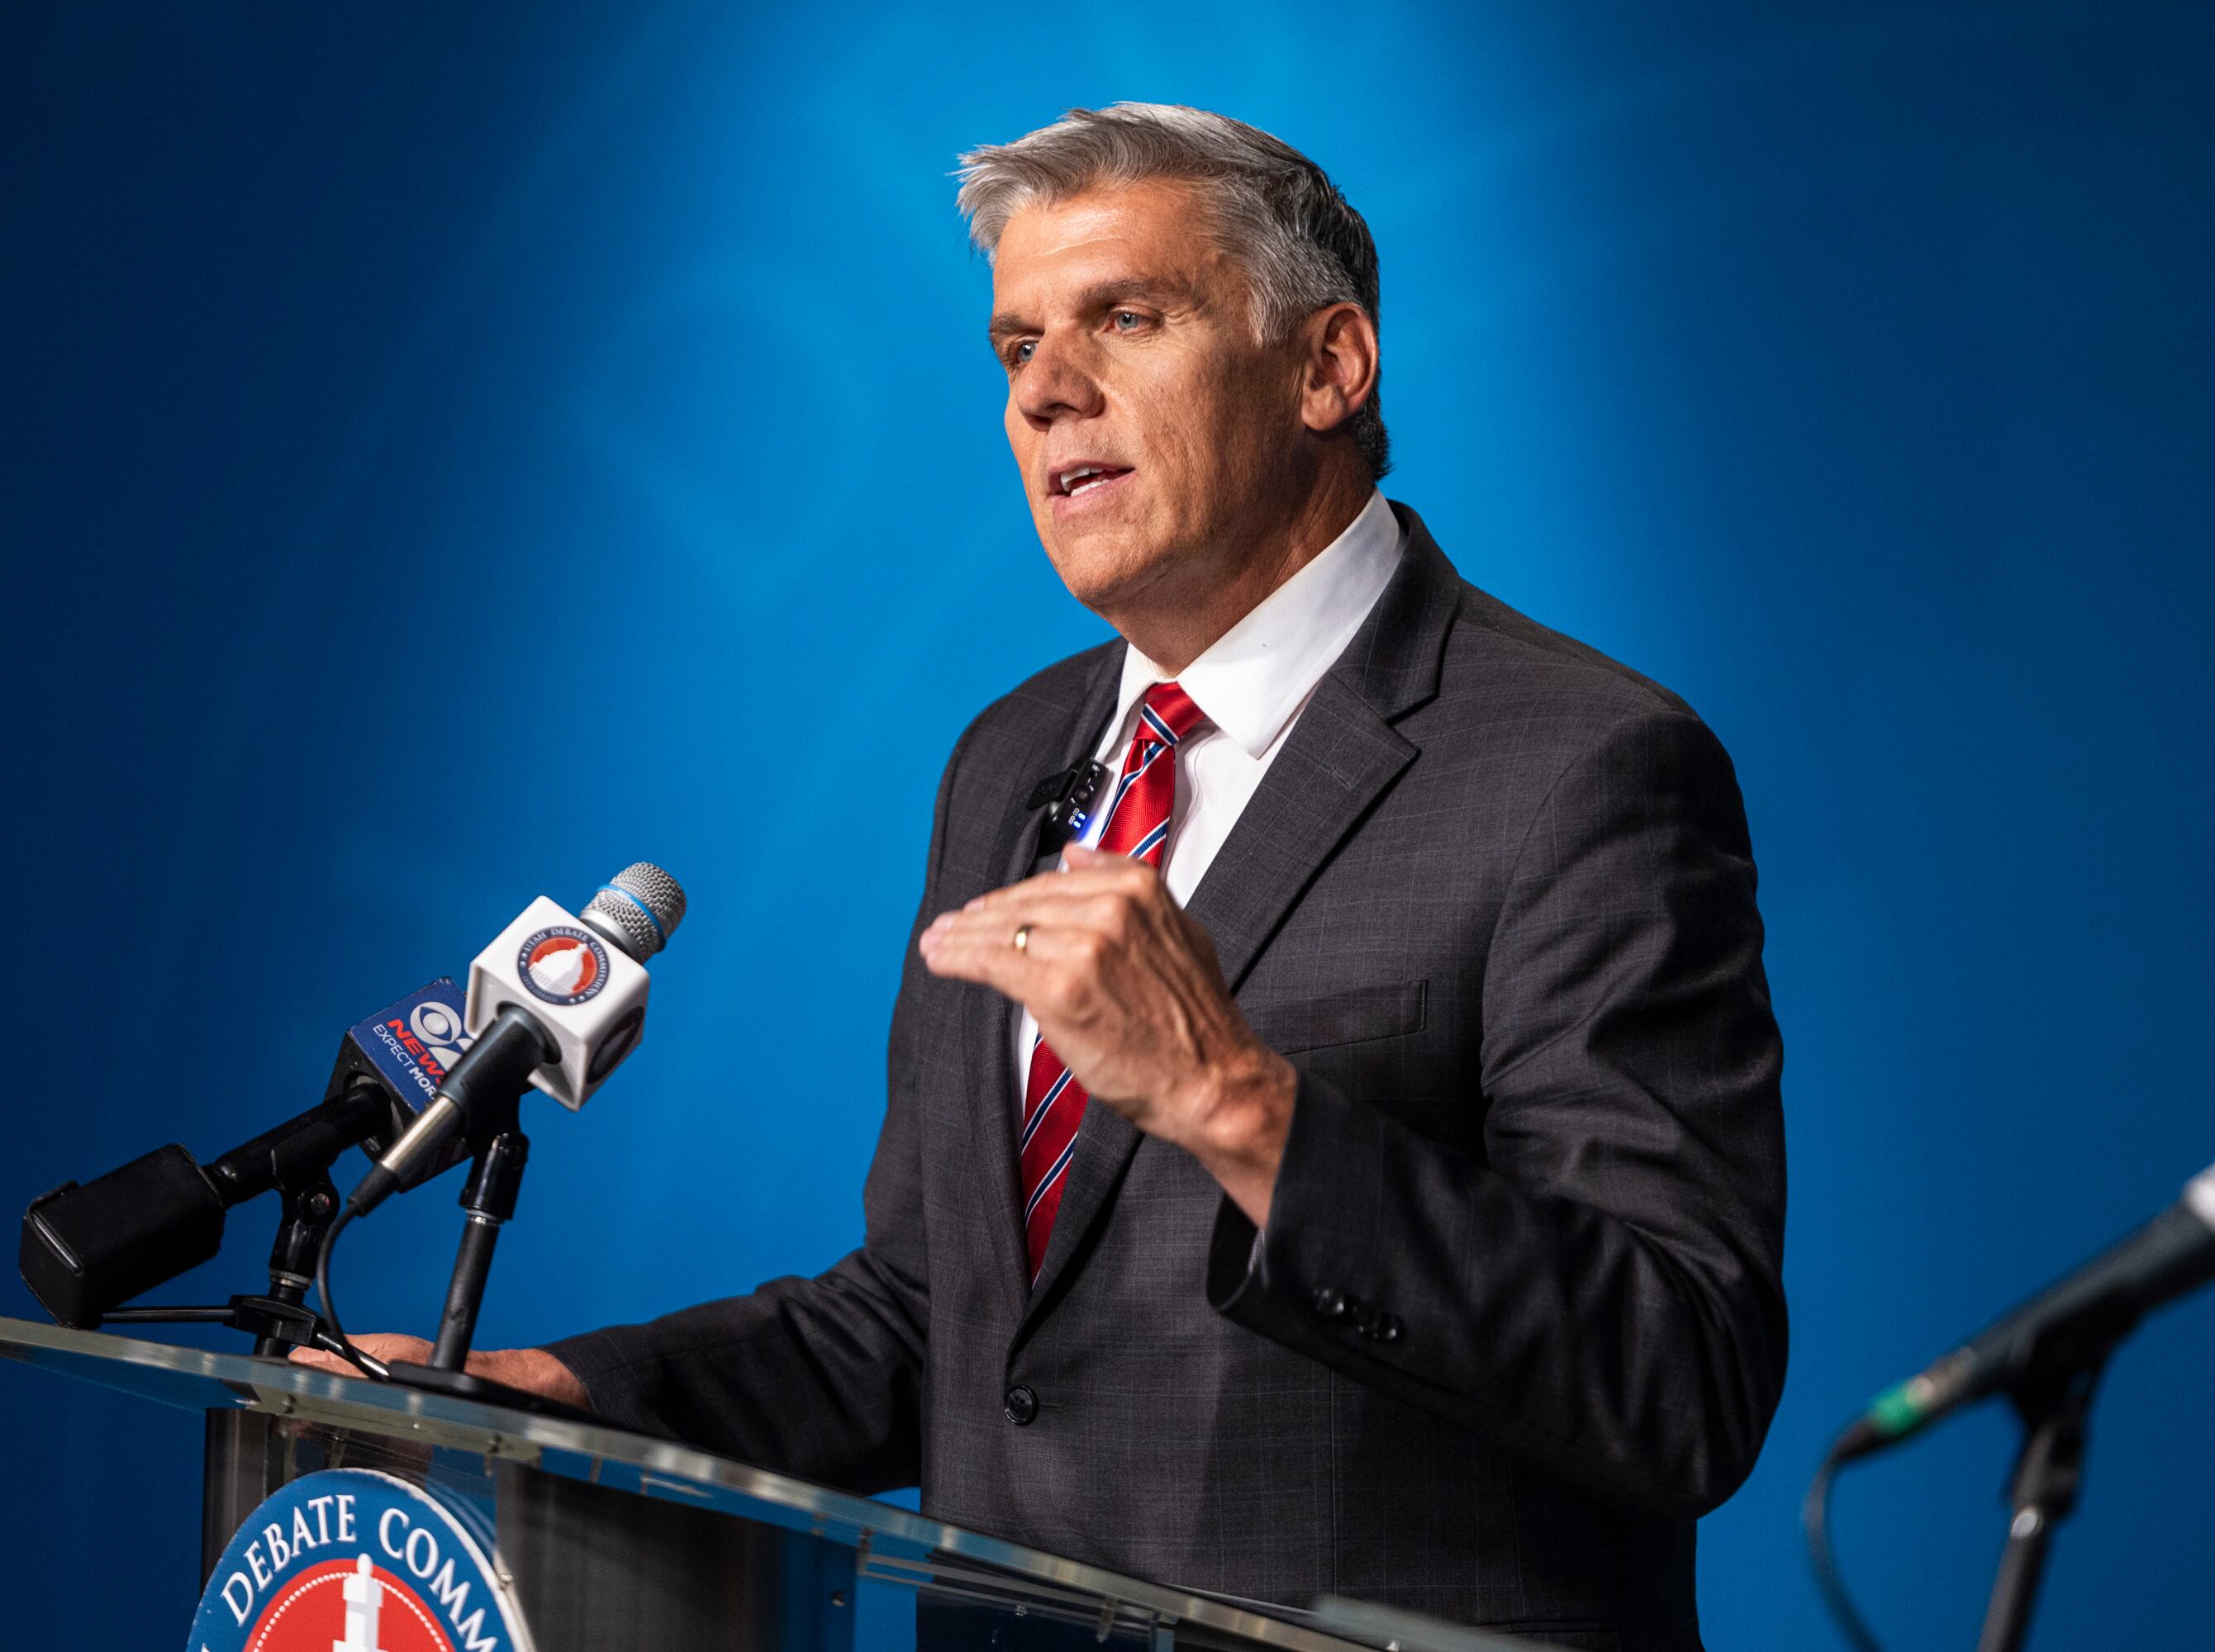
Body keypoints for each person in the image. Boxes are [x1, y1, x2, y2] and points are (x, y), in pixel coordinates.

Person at [303, 103, 1786, 1651]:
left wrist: (1239, 1106)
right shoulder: (1014, 760)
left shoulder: (1579, 765)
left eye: (1124, 319)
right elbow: (937, 1319)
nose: (1047, 394)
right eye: (1016, 350)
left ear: (1327, 367)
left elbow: (1680, 1375)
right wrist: (564, 1401)